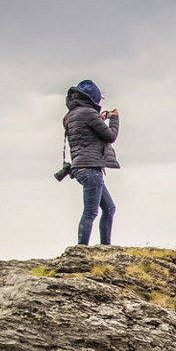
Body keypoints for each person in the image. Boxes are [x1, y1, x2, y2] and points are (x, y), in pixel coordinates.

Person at [64, 79, 120, 245]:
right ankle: (81, 249)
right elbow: (110, 136)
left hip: (80, 167)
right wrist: (114, 119)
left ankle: (105, 248)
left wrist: (99, 120)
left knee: (109, 208)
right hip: (91, 168)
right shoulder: (88, 113)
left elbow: (86, 135)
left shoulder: (72, 115)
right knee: (91, 211)